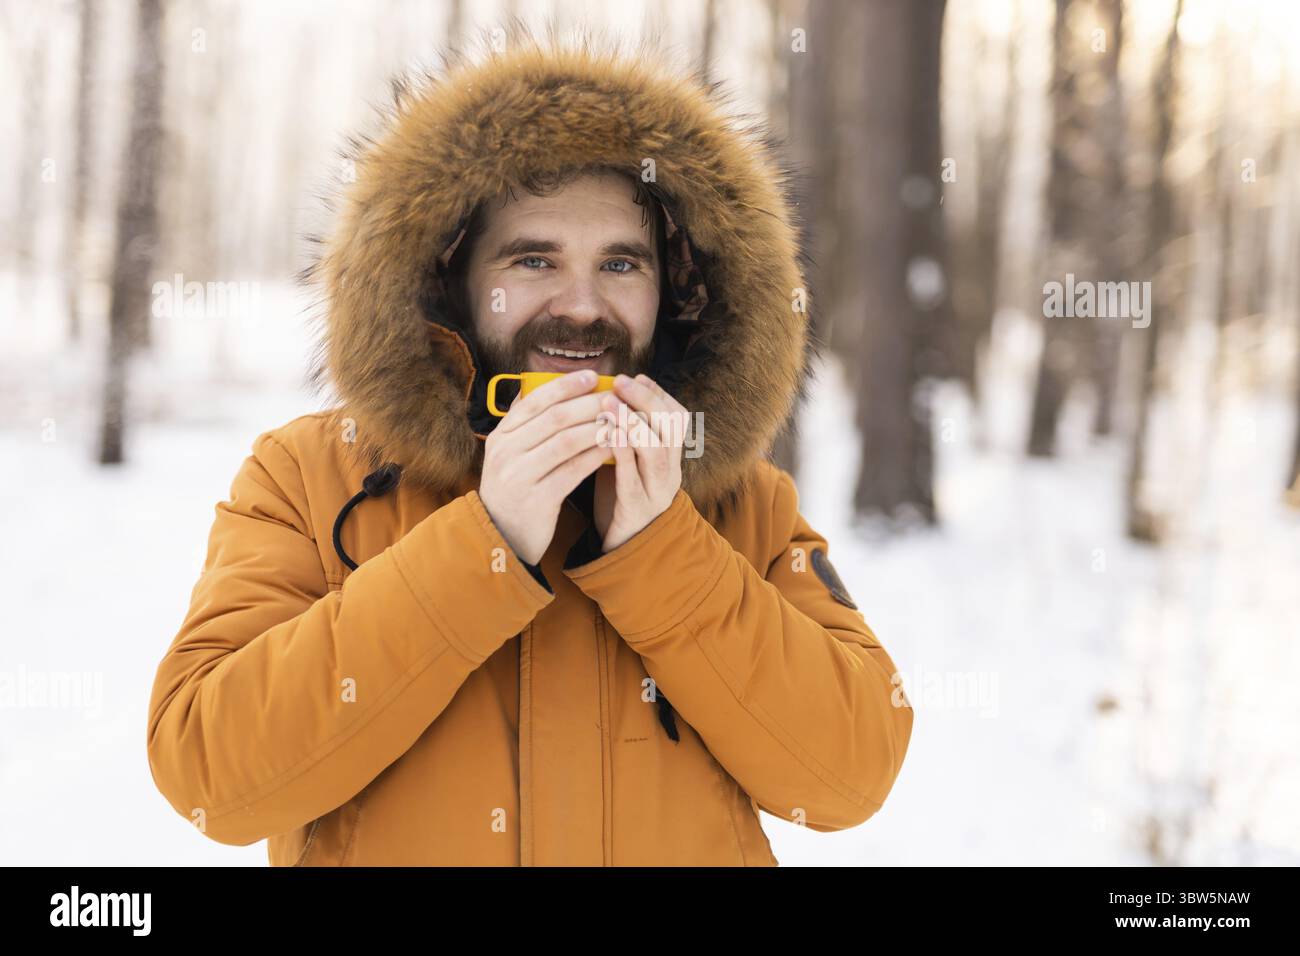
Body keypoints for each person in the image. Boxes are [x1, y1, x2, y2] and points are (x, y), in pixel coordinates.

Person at [146, 35, 914, 866]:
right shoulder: (310, 474)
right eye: (534, 259)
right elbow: (208, 780)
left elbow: (850, 777)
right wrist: (484, 544)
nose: (581, 307)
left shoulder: (743, 501)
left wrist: (666, 559)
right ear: (454, 281)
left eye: (620, 263)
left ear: (677, 290)